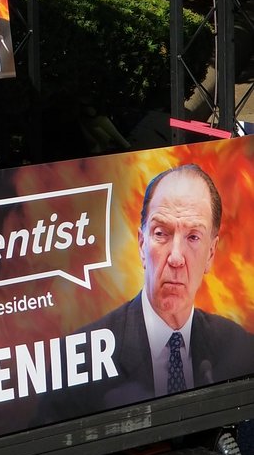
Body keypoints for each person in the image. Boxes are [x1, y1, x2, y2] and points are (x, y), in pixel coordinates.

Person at [79, 164, 254, 410]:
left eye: (193, 237)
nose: (175, 257)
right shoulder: (84, 356)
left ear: (211, 253)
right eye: (161, 233)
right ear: (141, 245)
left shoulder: (239, 348)